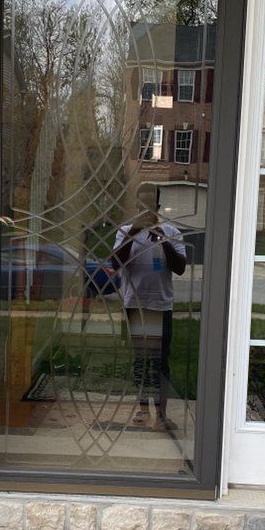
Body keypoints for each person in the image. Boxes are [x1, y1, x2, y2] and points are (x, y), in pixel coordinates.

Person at [112, 184, 187, 432]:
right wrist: (135, 232)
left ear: (157, 207)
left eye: (150, 205)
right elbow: (115, 263)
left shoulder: (172, 232)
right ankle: (143, 409)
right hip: (135, 305)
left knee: (161, 361)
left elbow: (180, 268)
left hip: (160, 305)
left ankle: (161, 415)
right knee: (142, 359)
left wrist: (162, 240)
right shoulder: (125, 232)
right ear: (137, 206)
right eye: (142, 205)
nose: (146, 209)